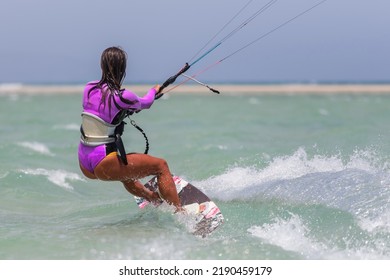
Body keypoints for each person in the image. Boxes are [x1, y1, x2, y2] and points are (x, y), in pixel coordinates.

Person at [78, 46, 182, 211]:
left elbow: (104, 111)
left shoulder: (89, 88)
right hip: (103, 162)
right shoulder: (123, 96)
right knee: (161, 166)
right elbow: (146, 102)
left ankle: (152, 197)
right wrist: (153, 91)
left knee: (125, 172)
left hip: (84, 161)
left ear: (102, 66)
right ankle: (181, 213)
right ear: (123, 68)